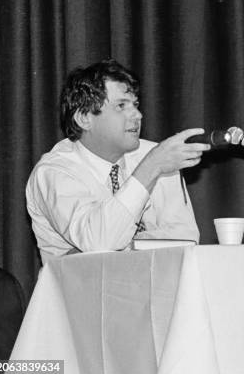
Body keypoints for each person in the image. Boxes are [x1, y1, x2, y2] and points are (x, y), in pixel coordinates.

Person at [26, 59, 210, 261]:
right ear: (84, 118)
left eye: (136, 105)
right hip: (80, 290)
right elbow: (99, 241)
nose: (138, 115)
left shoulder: (154, 154)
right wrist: (151, 168)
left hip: (155, 284)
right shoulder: (54, 171)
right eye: (121, 105)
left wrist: (123, 247)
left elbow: (186, 238)